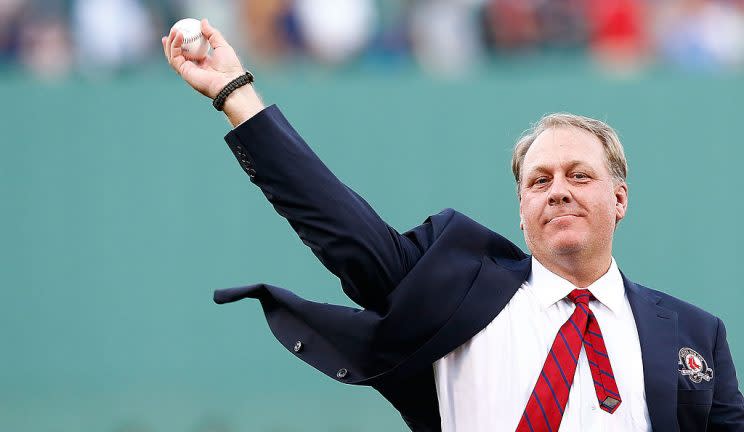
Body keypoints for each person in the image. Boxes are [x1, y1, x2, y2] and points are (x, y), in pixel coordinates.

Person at [162, 19, 744, 432]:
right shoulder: (460, 294)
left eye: (579, 176)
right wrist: (237, 95)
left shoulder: (695, 334)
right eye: (539, 182)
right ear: (521, 211)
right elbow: (340, 224)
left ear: (620, 198)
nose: (559, 190)